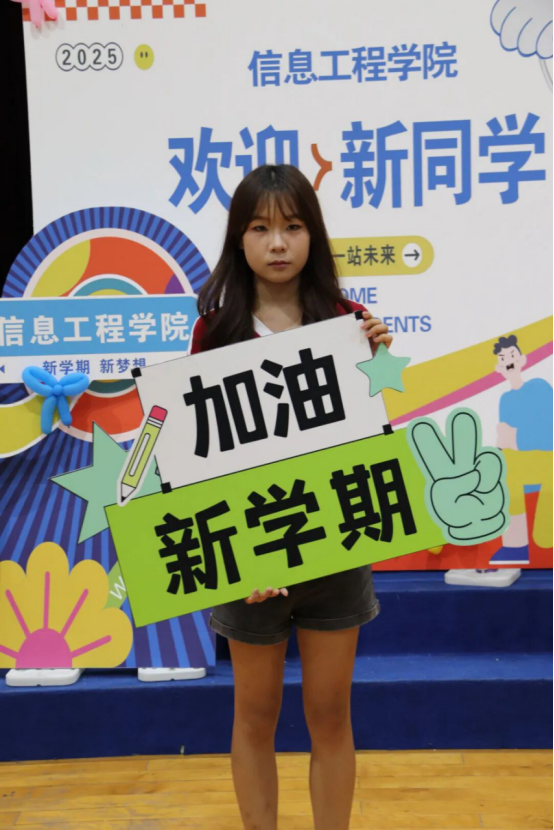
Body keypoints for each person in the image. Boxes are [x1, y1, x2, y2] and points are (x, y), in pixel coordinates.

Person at [190, 164, 392, 830]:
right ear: (239, 239)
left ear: (314, 235)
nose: (278, 243)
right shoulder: (215, 330)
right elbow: (201, 455)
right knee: (255, 715)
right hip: (251, 554)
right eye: (260, 228)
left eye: (293, 227)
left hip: (336, 544)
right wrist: (245, 558)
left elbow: (368, 441)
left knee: (331, 714)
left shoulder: (348, 322)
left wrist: (375, 363)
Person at [490, 334, 553, 565]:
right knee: (503, 471)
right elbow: (504, 439)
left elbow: (548, 431)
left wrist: (517, 439)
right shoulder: (506, 399)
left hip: (545, 459)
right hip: (519, 463)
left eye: (512, 355)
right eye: (503, 358)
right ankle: (515, 544)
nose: (508, 360)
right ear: (499, 367)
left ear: (522, 359)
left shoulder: (539, 387)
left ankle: (540, 539)